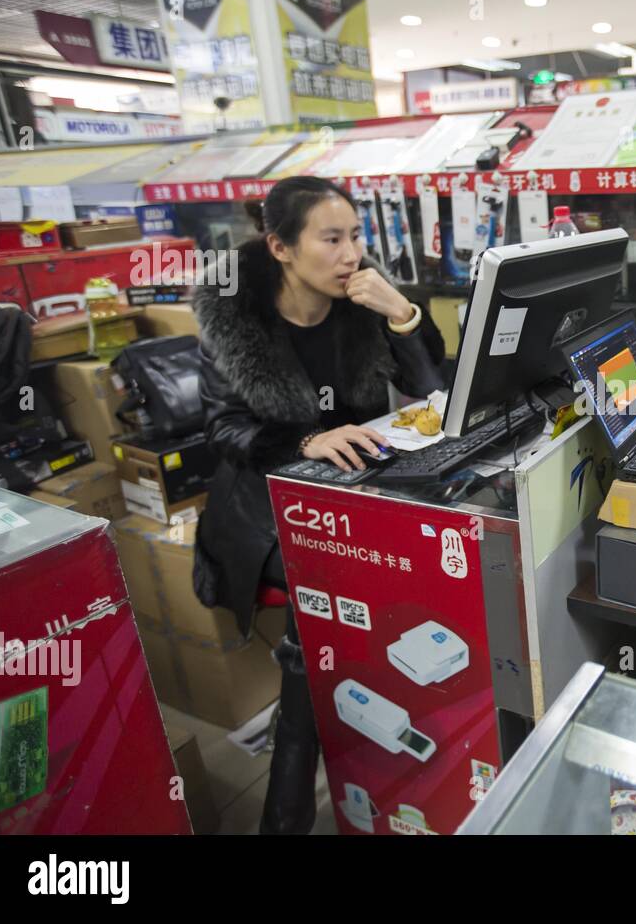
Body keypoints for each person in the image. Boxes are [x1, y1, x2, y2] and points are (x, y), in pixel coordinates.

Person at [191, 176, 445, 834]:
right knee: (320, 611)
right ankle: (287, 817)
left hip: (352, 496)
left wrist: (402, 313)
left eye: (357, 236)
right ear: (280, 247)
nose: (351, 254)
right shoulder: (233, 317)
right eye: (331, 239)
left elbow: (435, 391)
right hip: (263, 515)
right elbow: (223, 432)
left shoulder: (362, 296)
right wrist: (307, 439)